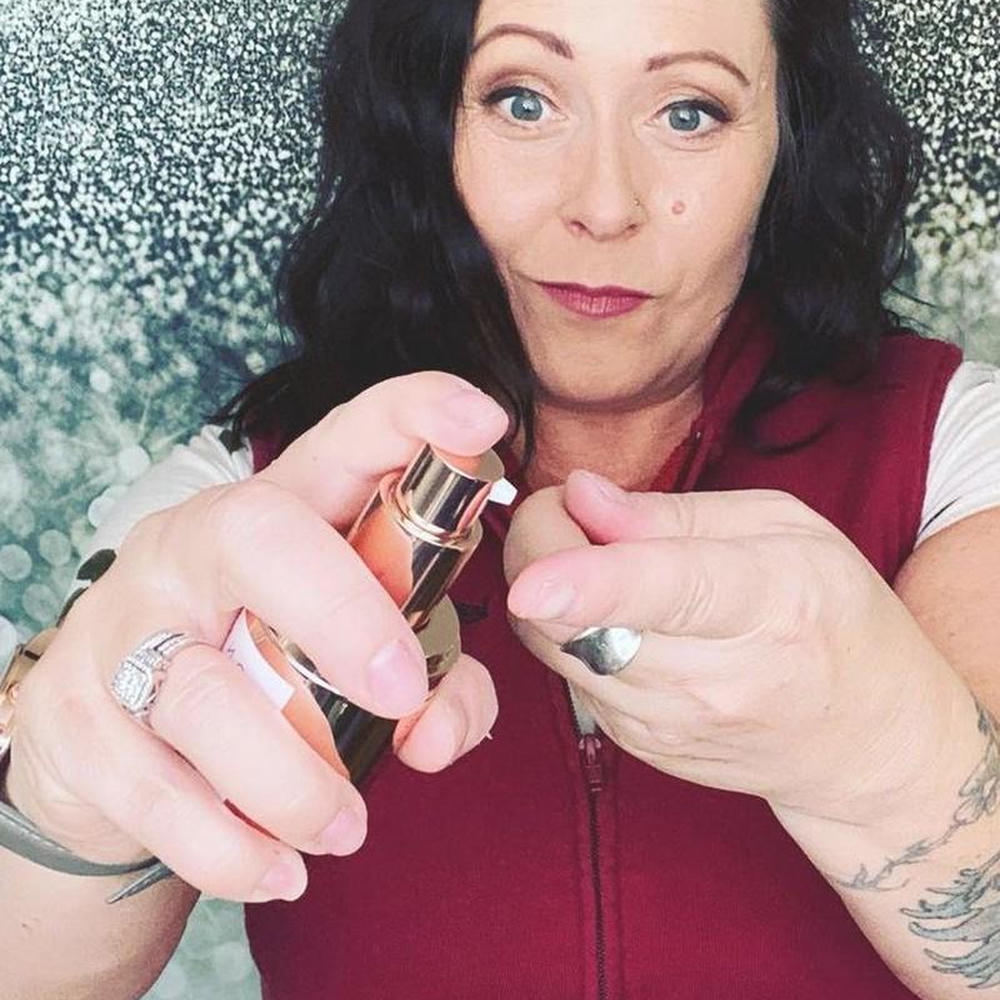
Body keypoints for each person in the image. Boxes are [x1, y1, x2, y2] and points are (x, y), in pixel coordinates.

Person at [3, 0, 1000, 997]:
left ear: (785, 135)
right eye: (523, 100)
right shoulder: (249, 485)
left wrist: (885, 758)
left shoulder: (955, 447)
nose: (603, 204)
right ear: (430, 121)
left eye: (688, 111)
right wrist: (63, 788)